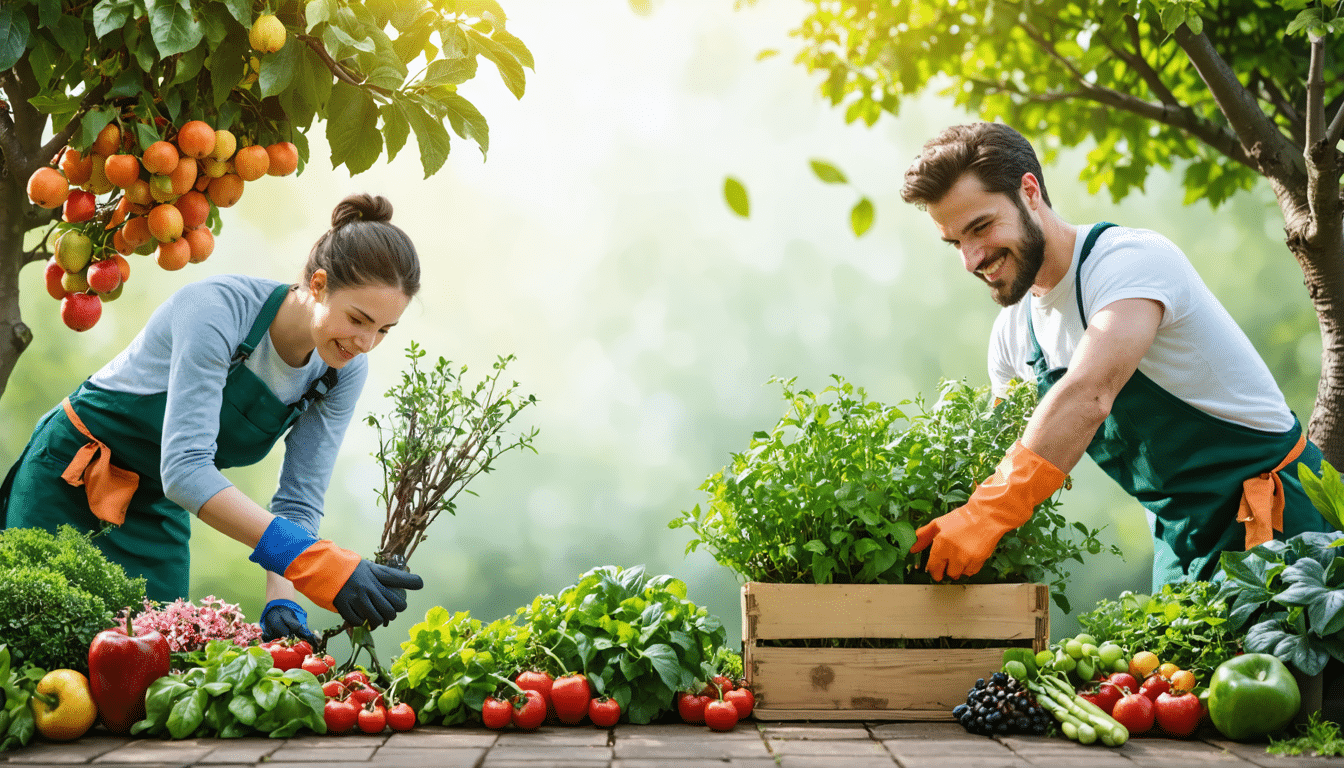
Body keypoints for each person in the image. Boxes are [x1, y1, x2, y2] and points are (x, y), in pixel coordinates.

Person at [901, 122, 1334, 590]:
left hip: (1279, 524)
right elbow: (1007, 454)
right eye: (955, 243)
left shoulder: (1127, 263)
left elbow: (1088, 394)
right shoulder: (1013, 336)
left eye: (980, 227)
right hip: (1179, 542)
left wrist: (988, 512)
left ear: (1029, 191)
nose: (971, 259)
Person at [1, 193, 424, 643]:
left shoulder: (340, 371)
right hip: (70, 475)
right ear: (318, 284)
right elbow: (186, 470)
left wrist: (284, 598)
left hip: (156, 509)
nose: (366, 342)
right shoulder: (217, 311)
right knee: (31, 654)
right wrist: (317, 563)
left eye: (383, 330)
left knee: (148, 673)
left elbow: (298, 501)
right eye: (358, 319)